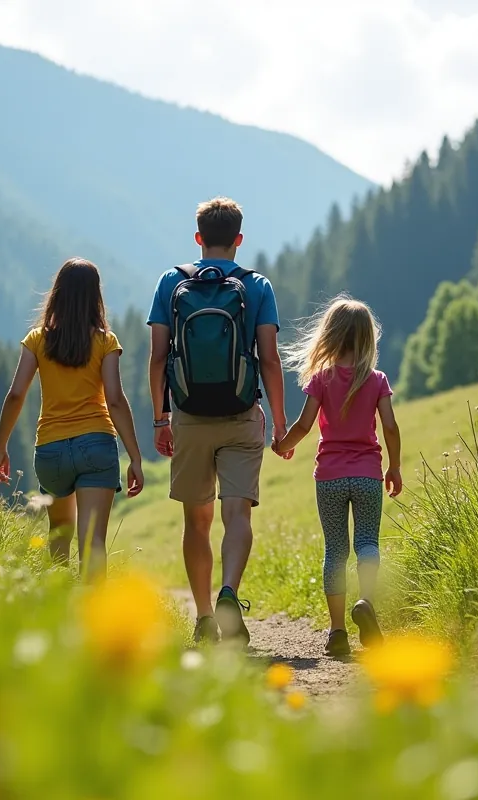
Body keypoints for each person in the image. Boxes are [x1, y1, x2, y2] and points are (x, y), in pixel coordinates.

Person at [148, 197, 289, 646]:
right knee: (237, 512)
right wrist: (280, 422)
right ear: (239, 239)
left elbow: (156, 358)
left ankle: (205, 617)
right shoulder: (257, 287)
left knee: (197, 522)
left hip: (188, 415)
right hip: (242, 413)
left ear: (198, 238)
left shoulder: (171, 283)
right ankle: (230, 592)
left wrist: (160, 418)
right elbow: (269, 359)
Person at [0, 258, 145, 583]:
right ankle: (90, 624)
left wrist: (0, 447)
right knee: (93, 544)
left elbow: (16, 394)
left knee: (59, 538)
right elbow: (115, 400)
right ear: (95, 297)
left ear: (57, 293)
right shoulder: (105, 342)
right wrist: (135, 456)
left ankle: (58, 620)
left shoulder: (37, 339)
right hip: (97, 446)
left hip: (51, 450)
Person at [272, 295, 402, 658]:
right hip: (367, 476)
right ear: (367, 338)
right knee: (367, 543)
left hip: (329, 476)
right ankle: (366, 602)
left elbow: (304, 424)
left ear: (330, 335)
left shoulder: (322, 379)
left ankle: (337, 632)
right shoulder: (376, 380)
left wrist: (283, 445)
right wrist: (394, 465)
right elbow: (389, 426)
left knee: (335, 550)